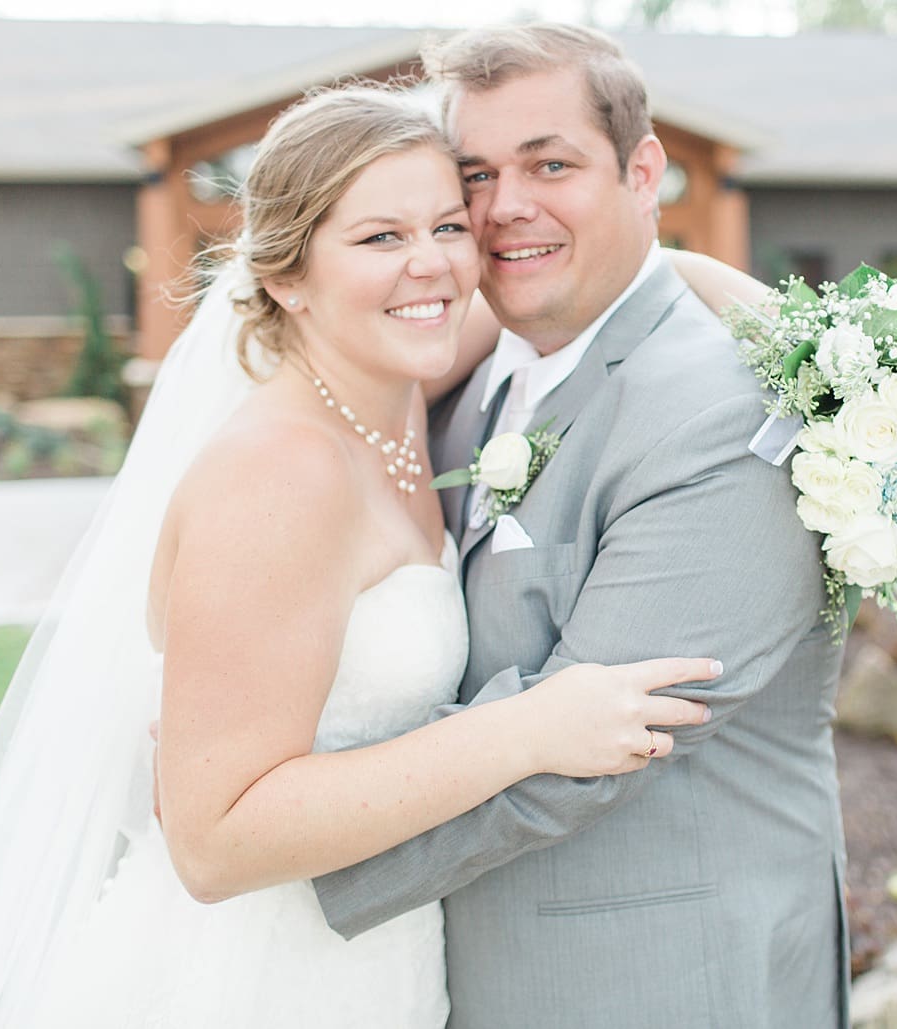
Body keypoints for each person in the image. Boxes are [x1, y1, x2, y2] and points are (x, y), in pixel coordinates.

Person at [0, 83, 718, 1028]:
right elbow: (214, 843)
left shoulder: (395, 374)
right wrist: (528, 730)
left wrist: (780, 326)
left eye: (449, 226)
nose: (432, 267)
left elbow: (612, 285)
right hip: (250, 980)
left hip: (373, 959)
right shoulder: (282, 474)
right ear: (287, 275)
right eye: (378, 238)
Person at [313, 24, 850, 1029]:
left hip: (656, 981)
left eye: (549, 164)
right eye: (475, 173)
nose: (506, 205)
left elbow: (583, 751)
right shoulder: (471, 371)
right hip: (474, 962)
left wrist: (282, 841)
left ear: (641, 172)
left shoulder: (730, 419)